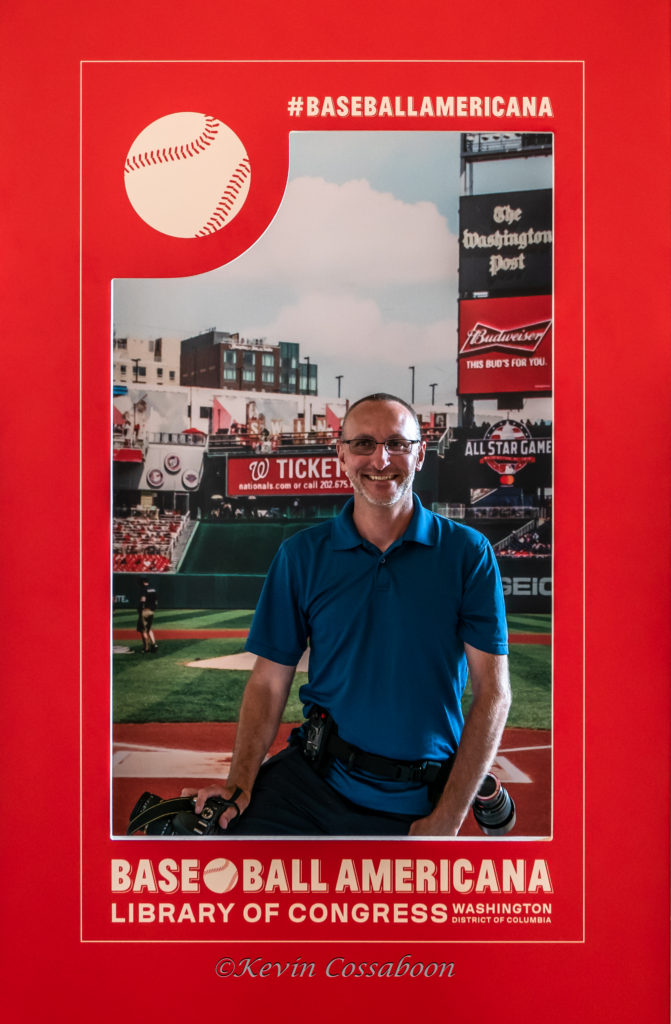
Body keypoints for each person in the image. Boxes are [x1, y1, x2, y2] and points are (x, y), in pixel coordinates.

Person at [185, 394, 510, 835]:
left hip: (419, 797)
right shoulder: (301, 555)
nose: (381, 458)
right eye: (363, 444)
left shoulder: (467, 553)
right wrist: (239, 784)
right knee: (198, 836)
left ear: (420, 453)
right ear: (341, 455)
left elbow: (493, 693)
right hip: (313, 782)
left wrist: (446, 819)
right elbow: (268, 680)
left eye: (397, 443)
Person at [137, 579, 158, 653]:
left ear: (143, 582)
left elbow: (143, 600)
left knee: (143, 630)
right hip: (151, 611)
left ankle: (146, 648)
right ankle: (154, 645)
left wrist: (140, 609)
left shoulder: (144, 589)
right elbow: (156, 601)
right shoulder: (153, 589)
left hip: (145, 611)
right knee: (149, 629)